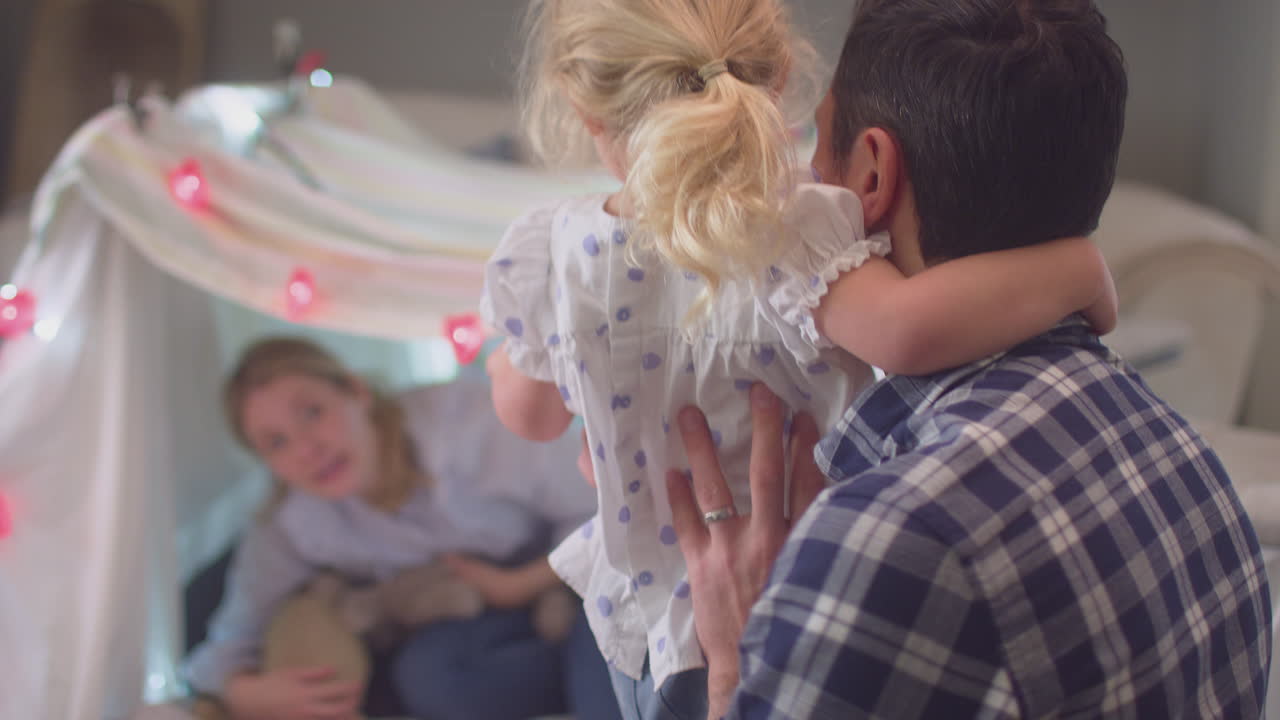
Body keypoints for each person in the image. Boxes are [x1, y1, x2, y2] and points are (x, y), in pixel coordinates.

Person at [480, 1, 1119, 718]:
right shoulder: (796, 231)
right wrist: (1080, 268)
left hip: (644, 631)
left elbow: (529, 415)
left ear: (584, 107)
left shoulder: (555, 254)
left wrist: (535, 364)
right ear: (780, 75)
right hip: (801, 603)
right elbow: (908, 331)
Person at [666, 1, 1273, 718]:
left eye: (822, 143)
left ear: (871, 176)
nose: (808, 171)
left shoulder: (894, 544)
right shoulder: (1184, 456)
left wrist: (735, 658)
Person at [183, 337, 623, 720]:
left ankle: (595, 673)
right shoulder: (292, 523)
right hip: (475, 613)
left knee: (613, 657)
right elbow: (225, 642)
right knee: (430, 676)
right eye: (276, 443)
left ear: (356, 391)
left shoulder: (463, 424)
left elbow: (607, 514)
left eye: (312, 413)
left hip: (573, 573)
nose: (306, 449)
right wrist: (244, 695)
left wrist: (518, 585)